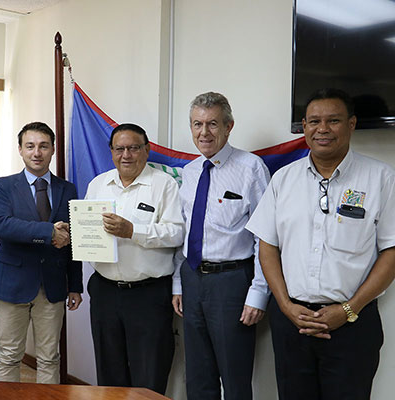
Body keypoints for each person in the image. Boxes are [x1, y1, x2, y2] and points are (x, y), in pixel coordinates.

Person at [246, 88, 395, 400]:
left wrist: (348, 309)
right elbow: (267, 246)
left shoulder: (381, 178)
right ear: (304, 126)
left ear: (351, 124)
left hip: (353, 325)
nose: (322, 129)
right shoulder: (283, 179)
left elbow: (391, 252)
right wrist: (285, 305)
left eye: (333, 121)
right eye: (314, 121)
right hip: (292, 323)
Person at [171, 92, 270, 400]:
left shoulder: (251, 168)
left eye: (213, 124)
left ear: (229, 126)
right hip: (192, 278)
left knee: (234, 375)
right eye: (197, 124)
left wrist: (259, 292)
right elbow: (185, 231)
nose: (204, 133)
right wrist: (178, 282)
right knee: (197, 374)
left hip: (232, 282)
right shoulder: (189, 171)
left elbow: (266, 236)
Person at [84, 123, 183, 394]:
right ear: (111, 152)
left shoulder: (164, 185)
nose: (126, 154)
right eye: (119, 149)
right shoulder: (98, 184)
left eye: (133, 148)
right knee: (109, 372)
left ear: (147, 150)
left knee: (149, 374)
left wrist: (132, 231)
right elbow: (88, 229)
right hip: (105, 292)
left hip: (148, 296)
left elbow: (176, 233)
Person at [0, 122, 83, 384]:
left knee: (50, 357)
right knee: (9, 354)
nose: (37, 152)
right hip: (12, 284)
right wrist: (49, 231)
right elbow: (3, 226)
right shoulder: (2, 187)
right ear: (20, 150)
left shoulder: (68, 189)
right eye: (30, 146)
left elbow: (73, 240)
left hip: (52, 285)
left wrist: (75, 285)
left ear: (53, 149)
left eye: (43, 146)